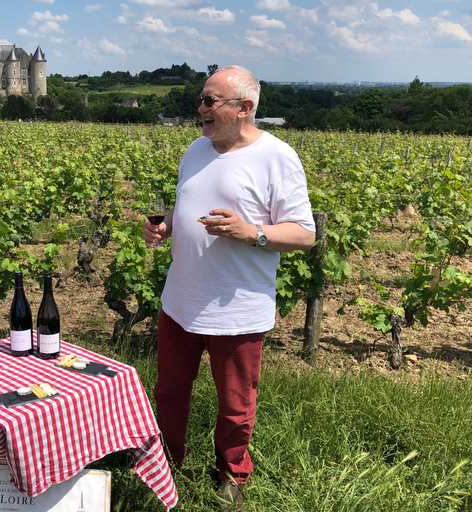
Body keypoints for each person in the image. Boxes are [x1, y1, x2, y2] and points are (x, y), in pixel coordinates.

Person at [143, 66, 316, 511]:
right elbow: (188, 207)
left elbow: (304, 234)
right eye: (201, 99)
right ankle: (168, 466)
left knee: (235, 404)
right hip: (180, 300)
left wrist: (250, 232)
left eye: (209, 101)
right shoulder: (196, 149)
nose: (199, 108)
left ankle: (232, 475)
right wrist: (166, 229)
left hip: (237, 308)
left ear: (244, 108)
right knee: (168, 392)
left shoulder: (277, 156)